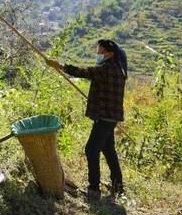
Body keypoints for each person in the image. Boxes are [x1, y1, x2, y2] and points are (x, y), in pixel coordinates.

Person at [47, 39, 127, 200]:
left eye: (101, 52)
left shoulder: (106, 69)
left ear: (110, 53)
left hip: (104, 118)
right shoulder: (118, 69)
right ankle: (118, 187)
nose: (98, 55)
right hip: (110, 117)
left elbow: (84, 72)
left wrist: (61, 66)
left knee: (91, 150)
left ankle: (94, 189)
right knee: (109, 150)